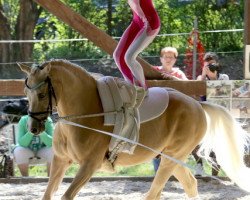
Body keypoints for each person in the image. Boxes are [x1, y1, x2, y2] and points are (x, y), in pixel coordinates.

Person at [152, 46, 188, 173]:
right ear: (161, 59)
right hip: (157, 112)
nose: (168, 59)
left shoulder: (179, 74)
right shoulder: (153, 71)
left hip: (175, 113)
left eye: (171, 57)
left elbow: (187, 86)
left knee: (174, 143)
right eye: (166, 57)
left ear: (175, 60)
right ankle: (157, 172)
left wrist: (173, 79)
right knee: (157, 142)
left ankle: (175, 172)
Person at [194, 52, 229, 176]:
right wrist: (204, 75)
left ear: (217, 64)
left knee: (217, 144)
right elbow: (197, 94)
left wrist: (213, 78)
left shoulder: (224, 77)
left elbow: (223, 93)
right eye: (207, 64)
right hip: (204, 114)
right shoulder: (200, 77)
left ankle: (215, 173)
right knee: (197, 141)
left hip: (218, 114)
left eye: (212, 63)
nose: (210, 66)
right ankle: (199, 166)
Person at [113, 0, 161, 89]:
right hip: (137, 22)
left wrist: (145, 20)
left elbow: (137, 4)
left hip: (149, 23)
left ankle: (143, 90)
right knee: (118, 56)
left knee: (129, 57)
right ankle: (130, 88)